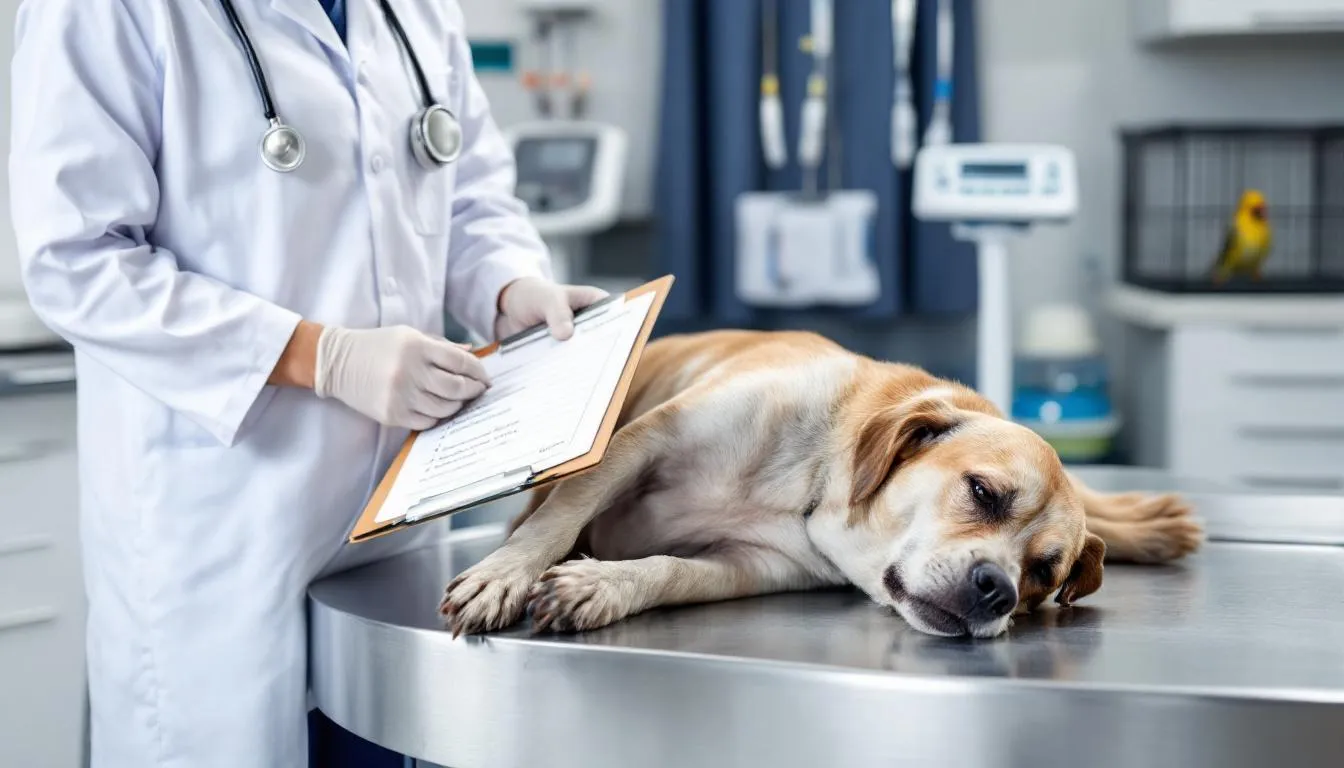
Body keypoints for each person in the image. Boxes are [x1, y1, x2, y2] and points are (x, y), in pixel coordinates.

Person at [8, 0, 606, 765]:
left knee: (388, 739)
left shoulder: (415, 11)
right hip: (223, 529)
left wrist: (508, 287)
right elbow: (77, 261)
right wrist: (322, 357)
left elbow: (468, 197)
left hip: (397, 522)